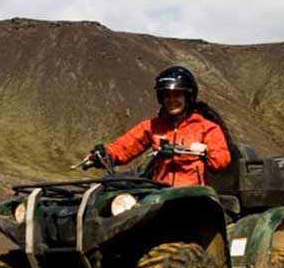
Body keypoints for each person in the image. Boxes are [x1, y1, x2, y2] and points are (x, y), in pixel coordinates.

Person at [80, 66, 231, 187]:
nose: (171, 100)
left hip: (194, 196)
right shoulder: (152, 126)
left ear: (188, 97)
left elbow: (222, 160)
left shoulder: (206, 127)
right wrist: (103, 155)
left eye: (177, 95)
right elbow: (125, 147)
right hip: (160, 194)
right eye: (167, 96)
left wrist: (205, 150)